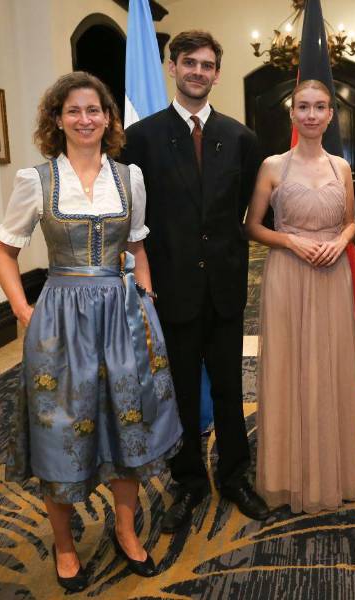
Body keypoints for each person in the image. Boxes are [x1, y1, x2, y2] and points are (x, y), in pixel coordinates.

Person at [0, 72, 183, 592]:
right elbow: (6, 251)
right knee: (58, 426)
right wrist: (22, 309)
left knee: (127, 423)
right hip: (59, 317)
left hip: (121, 315)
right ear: (58, 118)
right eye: (74, 111)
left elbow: (137, 247)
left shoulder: (129, 177)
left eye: (94, 110)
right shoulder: (37, 180)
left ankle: (124, 530)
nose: (85, 120)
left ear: (107, 118)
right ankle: (63, 544)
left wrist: (145, 301)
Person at [120, 30, 269, 532]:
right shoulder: (140, 138)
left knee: (230, 389)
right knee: (180, 391)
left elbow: (242, 206)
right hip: (171, 289)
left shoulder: (241, 137)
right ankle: (188, 482)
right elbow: (133, 218)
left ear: (217, 73)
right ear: (172, 67)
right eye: (190, 63)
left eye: (207, 65)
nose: (198, 72)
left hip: (225, 289)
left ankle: (234, 475)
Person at [245, 80, 355, 514]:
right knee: (289, 367)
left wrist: (342, 241)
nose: (311, 114)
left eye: (320, 107)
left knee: (328, 367)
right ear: (291, 113)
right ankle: (285, 476)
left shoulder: (342, 167)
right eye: (303, 107)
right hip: (287, 273)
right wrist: (292, 243)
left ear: (331, 114)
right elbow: (252, 226)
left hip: (331, 275)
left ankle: (330, 472)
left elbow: (352, 221)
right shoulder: (272, 165)